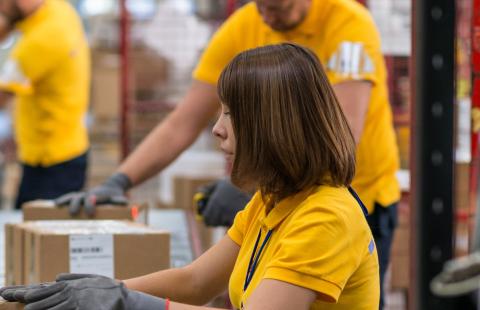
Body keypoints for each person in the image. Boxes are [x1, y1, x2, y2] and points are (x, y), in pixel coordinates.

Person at [56, 0, 399, 307]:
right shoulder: (271, 201)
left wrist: (129, 303)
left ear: (274, 128)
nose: (216, 128)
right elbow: (196, 282)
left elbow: (345, 126)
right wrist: (108, 289)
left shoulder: (324, 218)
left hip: (363, 194)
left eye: (232, 114)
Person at [0, 0, 90, 209]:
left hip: (51, 163)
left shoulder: (40, 42)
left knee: (35, 233)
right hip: (66, 147)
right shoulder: (58, 9)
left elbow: (3, 96)